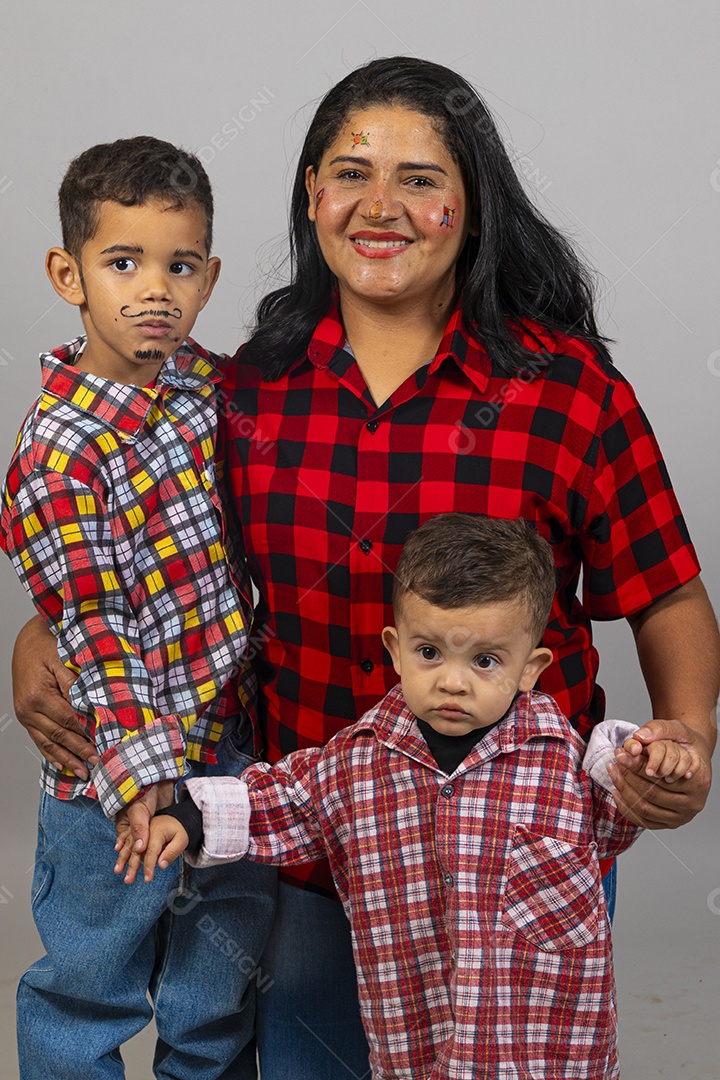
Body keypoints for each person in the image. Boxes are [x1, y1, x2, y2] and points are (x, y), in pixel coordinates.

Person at [11, 58, 719, 1079]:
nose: (381, 206)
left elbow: (667, 592)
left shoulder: (565, 392)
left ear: (473, 205)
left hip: (520, 849)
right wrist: (43, 631)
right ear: (312, 196)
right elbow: (145, 542)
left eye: (422, 180)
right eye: (351, 172)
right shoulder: (246, 389)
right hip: (314, 856)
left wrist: (686, 736)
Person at [115, 515, 700, 1078]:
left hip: (545, 1051)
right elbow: (281, 800)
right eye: (429, 653)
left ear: (531, 668)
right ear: (395, 649)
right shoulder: (357, 760)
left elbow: (632, 796)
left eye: (486, 660)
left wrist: (663, 761)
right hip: (415, 1048)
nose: (452, 680)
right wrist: (189, 818)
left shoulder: (572, 764)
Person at [0, 137, 276, 1080]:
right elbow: (94, 623)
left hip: (223, 758)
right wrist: (141, 778)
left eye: (180, 265)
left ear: (208, 278)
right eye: (124, 263)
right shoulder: (59, 453)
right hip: (110, 781)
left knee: (218, 985)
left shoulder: (203, 386)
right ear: (68, 274)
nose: (154, 289)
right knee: (91, 987)